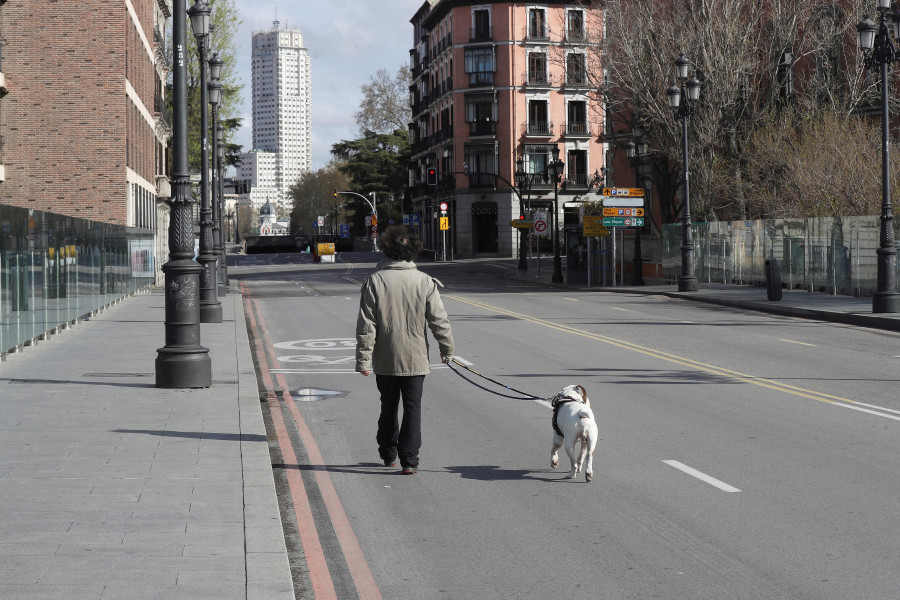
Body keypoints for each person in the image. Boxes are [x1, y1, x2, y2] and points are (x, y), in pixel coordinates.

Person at [356, 226, 454, 475]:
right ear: (413, 250)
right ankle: (409, 460)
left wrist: (364, 360)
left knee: (388, 406)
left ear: (388, 250)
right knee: (413, 408)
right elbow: (439, 320)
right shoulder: (424, 281)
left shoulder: (375, 281)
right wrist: (447, 349)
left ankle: (388, 454)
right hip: (416, 357)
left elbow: (367, 325)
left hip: (386, 357)